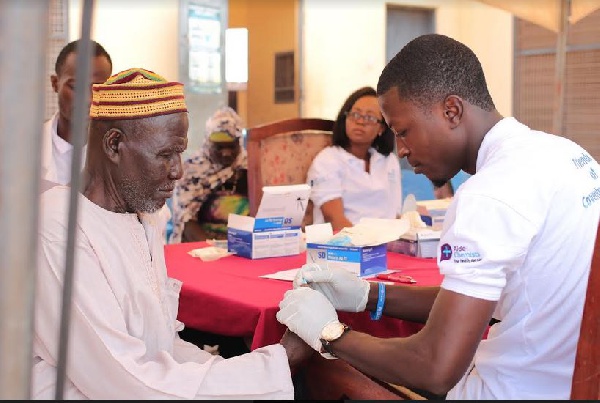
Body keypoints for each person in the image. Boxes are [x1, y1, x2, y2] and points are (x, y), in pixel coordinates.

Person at [276, 33, 600, 399]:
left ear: (451, 110)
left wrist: (329, 334)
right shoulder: (567, 155)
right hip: (567, 384)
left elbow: (434, 368)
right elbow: (481, 300)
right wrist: (370, 294)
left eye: (403, 131)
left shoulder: (487, 195)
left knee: (305, 373)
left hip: (505, 391)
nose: (400, 150)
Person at [34, 68, 312, 399]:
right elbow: (126, 382)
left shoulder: (146, 217)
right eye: (165, 154)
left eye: (180, 152)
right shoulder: (58, 227)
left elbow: (162, 347)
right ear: (114, 145)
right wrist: (280, 361)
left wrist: (245, 370)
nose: (178, 170)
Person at [306, 86, 402, 231]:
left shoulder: (389, 161)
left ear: (382, 128)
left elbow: (395, 214)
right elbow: (335, 220)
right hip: (343, 245)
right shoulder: (327, 161)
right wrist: (368, 245)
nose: (360, 122)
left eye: (369, 117)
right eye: (355, 115)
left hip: (387, 244)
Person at [170, 106, 248, 243]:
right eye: (219, 147)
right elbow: (186, 221)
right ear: (208, 143)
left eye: (232, 146)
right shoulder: (191, 171)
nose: (226, 152)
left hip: (244, 246)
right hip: (202, 249)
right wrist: (215, 250)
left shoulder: (250, 168)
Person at [42, 39, 113, 185]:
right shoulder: (20, 151)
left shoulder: (124, 152)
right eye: (76, 87)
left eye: (98, 89)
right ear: (55, 84)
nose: (88, 99)